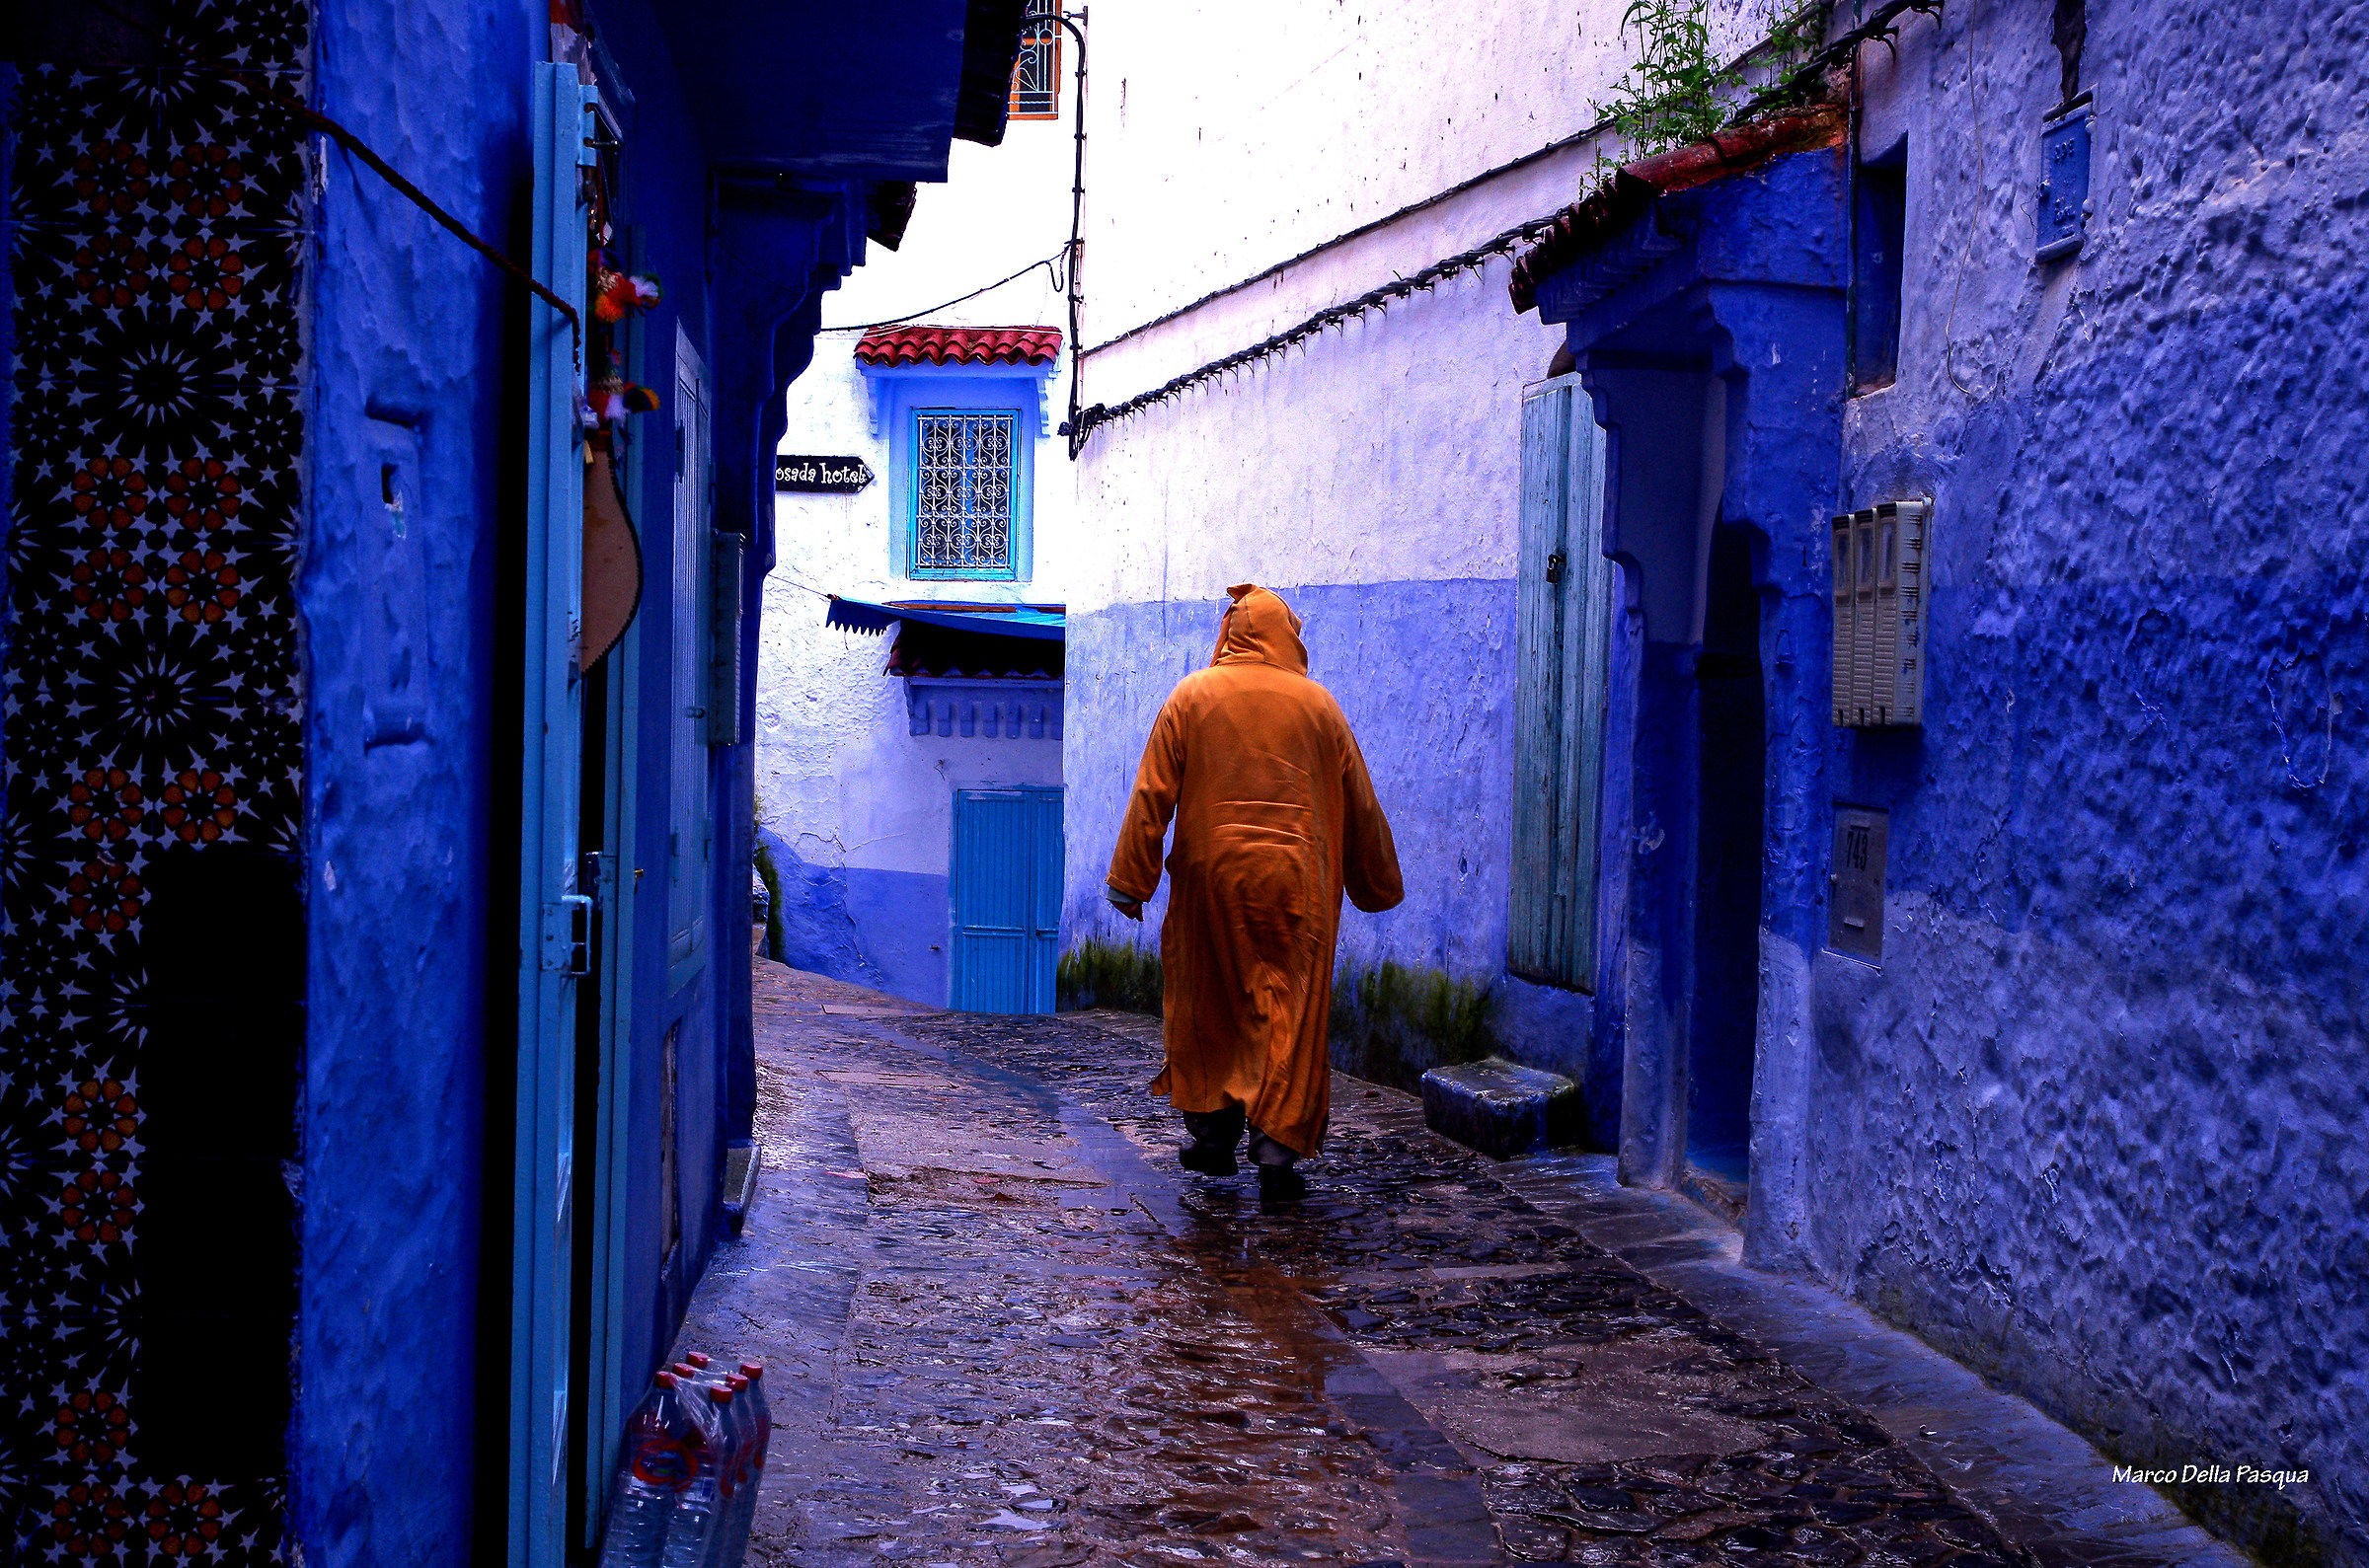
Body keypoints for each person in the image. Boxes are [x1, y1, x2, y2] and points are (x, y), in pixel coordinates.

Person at [1106, 583, 1404, 1201]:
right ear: (1283, 637)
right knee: (1291, 1006)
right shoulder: (1320, 706)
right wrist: (1375, 883)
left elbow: (1152, 794)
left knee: (1211, 1000)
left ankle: (1212, 1137)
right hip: (1299, 883)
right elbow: (1361, 803)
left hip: (1212, 881)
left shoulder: (1191, 696)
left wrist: (1130, 881)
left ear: (1233, 633)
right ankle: (1276, 1153)